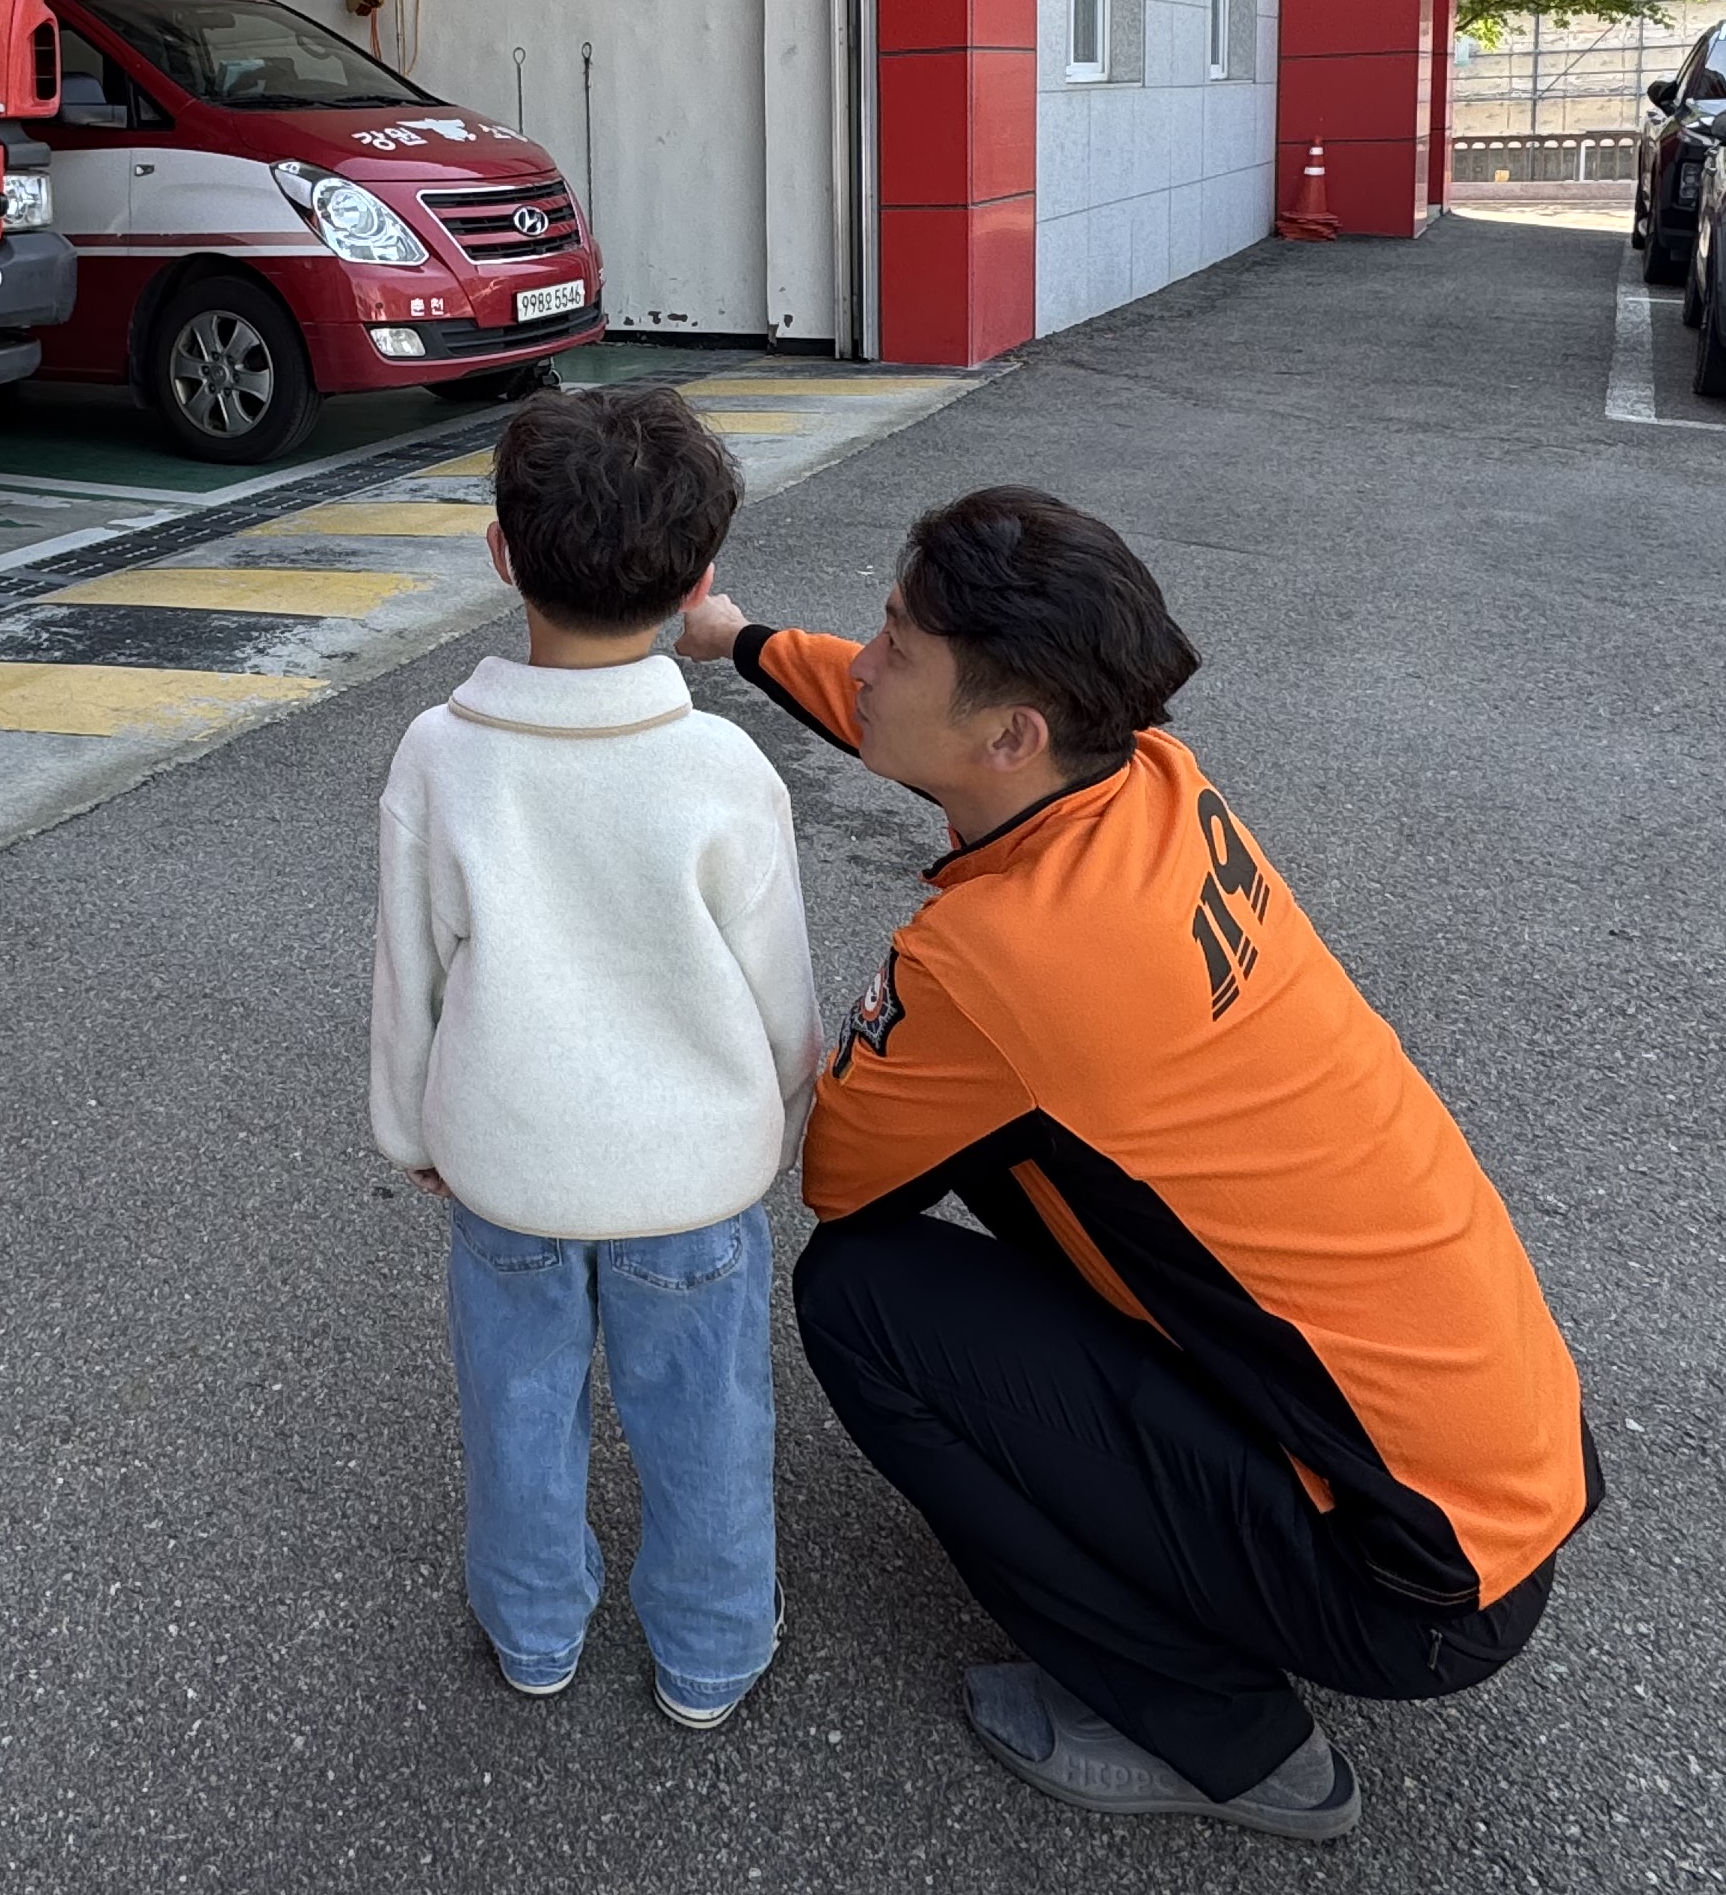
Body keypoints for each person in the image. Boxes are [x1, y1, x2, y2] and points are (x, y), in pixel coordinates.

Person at [677, 487, 1596, 1843]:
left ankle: (1221, 1738)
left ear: (1013, 732)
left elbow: (844, 1177)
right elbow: (904, 722)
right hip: (1503, 1469)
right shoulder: (1151, 779)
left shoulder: (1009, 959)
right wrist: (740, 640)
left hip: (1407, 1583)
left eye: (897, 646)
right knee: (1047, 1160)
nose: (865, 664)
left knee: (861, 1296)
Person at [370, 384, 821, 1727]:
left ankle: (533, 1633)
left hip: (507, 1163)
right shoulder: (722, 767)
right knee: (708, 1419)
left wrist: (412, 1129)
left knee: (516, 1408)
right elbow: (781, 996)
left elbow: (411, 972)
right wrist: (778, 1118)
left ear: (501, 554)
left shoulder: (441, 755)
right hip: (693, 1179)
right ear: (698, 581)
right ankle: (711, 1650)